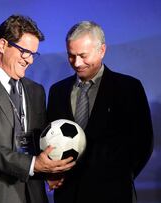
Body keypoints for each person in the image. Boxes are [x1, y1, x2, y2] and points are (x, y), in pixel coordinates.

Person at [0, 15, 75, 203]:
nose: (30, 60)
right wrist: (34, 165)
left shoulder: (36, 90)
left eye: (33, 54)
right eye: (24, 52)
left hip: (34, 194)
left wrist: (48, 172)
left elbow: (39, 141)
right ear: (3, 45)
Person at [47, 21, 154, 203]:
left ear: (102, 50)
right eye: (71, 56)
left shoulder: (129, 88)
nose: (77, 63)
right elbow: (49, 138)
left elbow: (143, 143)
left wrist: (119, 178)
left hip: (114, 194)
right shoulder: (57, 90)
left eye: (83, 55)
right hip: (68, 195)